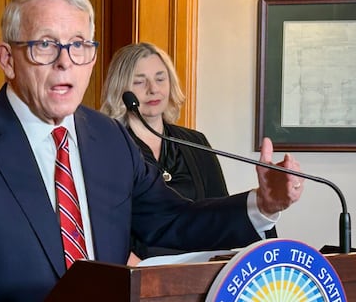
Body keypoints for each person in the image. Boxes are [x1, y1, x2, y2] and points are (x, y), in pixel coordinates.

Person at [0, 0, 304, 302]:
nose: (65, 61)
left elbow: (170, 221)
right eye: (45, 45)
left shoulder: (109, 136)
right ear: (7, 59)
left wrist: (262, 204)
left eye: (79, 45)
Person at [100, 42, 278, 265]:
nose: (153, 89)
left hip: (197, 273)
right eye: (139, 81)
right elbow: (105, 223)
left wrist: (266, 204)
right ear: (120, 89)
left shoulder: (195, 142)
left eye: (160, 78)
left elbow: (218, 210)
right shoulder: (108, 147)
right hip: (137, 275)